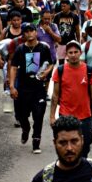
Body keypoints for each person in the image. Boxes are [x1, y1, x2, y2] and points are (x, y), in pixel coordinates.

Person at [28, 116, 92, 182]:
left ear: (82, 140)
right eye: (63, 142)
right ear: (55, 143)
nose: (69, 148)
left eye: (74, 141)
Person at [50, 41, 92, 157]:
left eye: (75, 52)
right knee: (66, 147)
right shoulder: (60, 71)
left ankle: (81, 167)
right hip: (66, 116)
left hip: (85, 116)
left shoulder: (89, 70)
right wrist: (52, 116)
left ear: (80, 53)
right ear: (66, 54)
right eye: (70, 52)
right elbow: (55, 95)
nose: (73, 55)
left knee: (85, 145)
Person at [9, 23, 54, 154]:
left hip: (39, 89)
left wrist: (46, 72)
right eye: (26, 31)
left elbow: (51, 64)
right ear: (23, 34)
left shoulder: (43, 48)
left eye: (31, 31)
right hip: (22, 88)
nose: (29, 34)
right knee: (21, 115)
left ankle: (36, 141)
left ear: (36, 32)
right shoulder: (20, 49)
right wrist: (12, 86)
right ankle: (25, 129)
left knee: (39, 115)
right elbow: (13, 67)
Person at [53, 0, 80, 65]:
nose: (62, 8)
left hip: (71, 41)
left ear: (69, 6)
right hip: (61, 42)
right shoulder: (57, 16)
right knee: (61, 61)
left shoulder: (74, 16)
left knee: (71, 61)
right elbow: (54, 29)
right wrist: (55, 41)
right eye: (61, 6)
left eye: (64, 6)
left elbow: (77, 29)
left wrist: (78, 41)